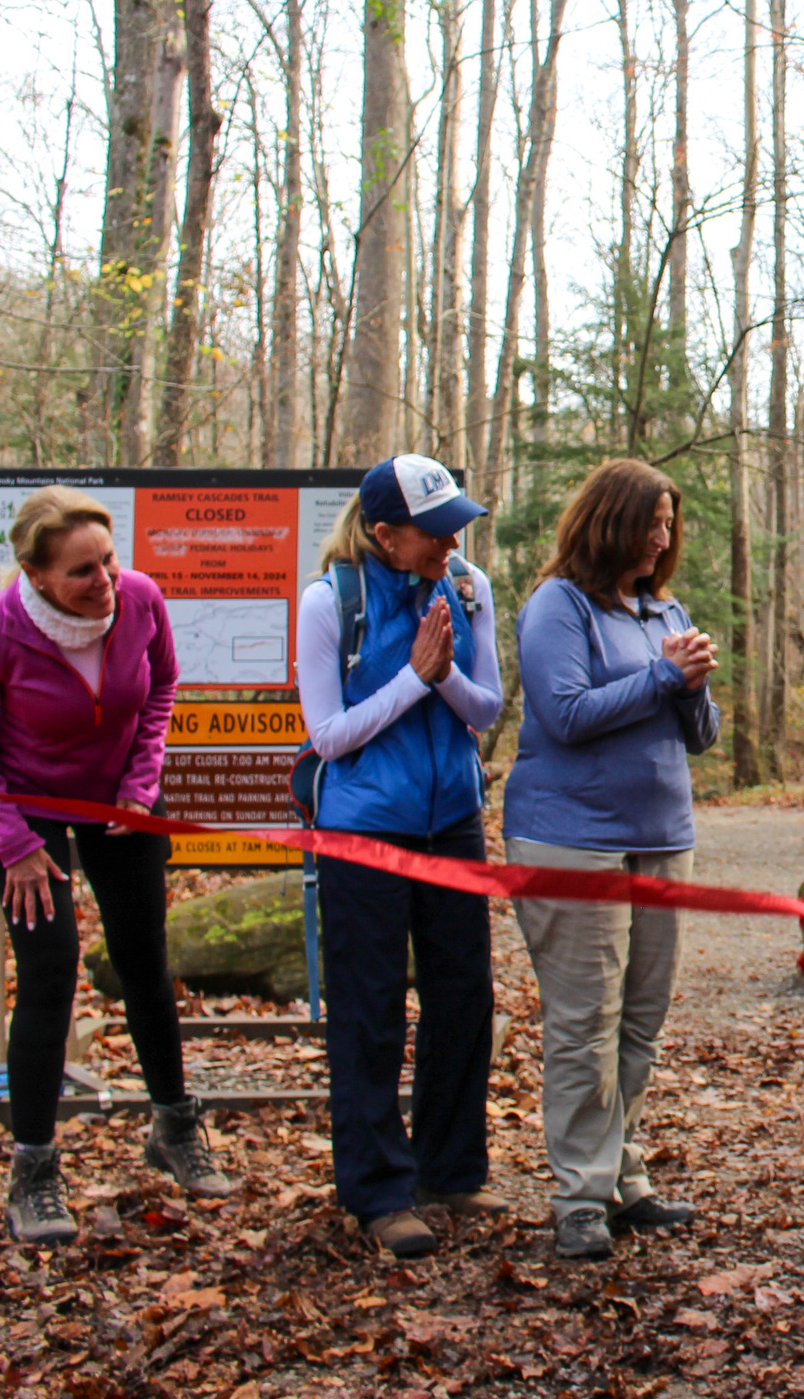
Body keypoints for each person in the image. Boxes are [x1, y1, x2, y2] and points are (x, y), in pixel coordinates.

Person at [0, 486, 234, 1246]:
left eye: (108, 560)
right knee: (50, 974)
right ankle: (33, 1172)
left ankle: (174, 1129)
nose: (104, 579)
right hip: (23, 807)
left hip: (119, 803)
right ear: (37, 576)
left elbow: (162, 687)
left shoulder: (140, 599)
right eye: (82, 571)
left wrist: (140, 786)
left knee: (144, 961)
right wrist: (16, 846)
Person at [503, 460, 720, 1261]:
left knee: (640, 1020)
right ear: (609, 522)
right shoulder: (557, 606)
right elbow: (563, 715)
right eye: (649, 523)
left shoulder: (664, 607)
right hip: (569, 836)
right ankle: (579, 1197)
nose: (662, 539)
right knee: (583, 1023)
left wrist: (691, 684)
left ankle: (622, 1176)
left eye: (669, 524)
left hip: (662, 833)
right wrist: (664, 675)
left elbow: (701, 734)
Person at [295, 454, 504, 1258]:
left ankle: (451, 1168)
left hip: (451, 820)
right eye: (436, 530)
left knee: (463, 1000)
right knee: (371, 1009)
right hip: (362, 830)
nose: (452, 542)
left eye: (457, 524)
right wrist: (416, 679)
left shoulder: (471, 588)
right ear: (385, 535)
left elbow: (483, 707)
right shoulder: (329, 603)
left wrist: (441, 676)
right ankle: (379, 1191)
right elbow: (329, 735)